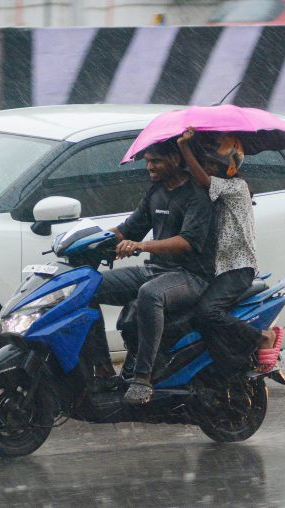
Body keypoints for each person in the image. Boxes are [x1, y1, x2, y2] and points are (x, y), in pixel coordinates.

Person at [85, 139, 216, 404]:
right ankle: (102, 369)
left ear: (176, 160)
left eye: (155, 161)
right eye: (147, 161)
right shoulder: (156, 191)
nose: (149, 166)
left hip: (192, 276)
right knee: (87, 287)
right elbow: (127, 229)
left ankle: (143, 378)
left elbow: (187, 242)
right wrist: (86, 241)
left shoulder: (197, 195)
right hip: (155, 269)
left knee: (150, 294)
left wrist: (141, 245)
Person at [177, 127, 282, 374]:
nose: (209, 169)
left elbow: (203, 179)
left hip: (238, 267)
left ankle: (261, 337)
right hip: (223, 267)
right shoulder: (224, 190)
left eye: (214, 165)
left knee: (207, 312)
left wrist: (184, 147)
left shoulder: (236, 187)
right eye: (207, 164)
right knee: (196, 317)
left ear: (231, 167)